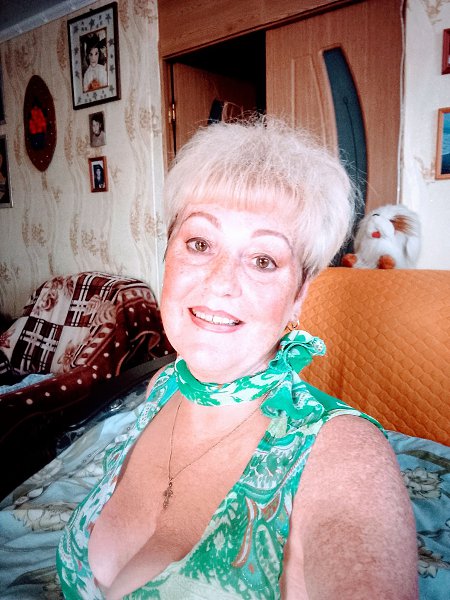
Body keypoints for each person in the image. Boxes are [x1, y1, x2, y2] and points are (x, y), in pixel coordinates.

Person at [57, 116, 418, 599]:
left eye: (263, 260)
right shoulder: (162, 385)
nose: (220, 282)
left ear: (298, 297)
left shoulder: (346, 455)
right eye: (200, 243)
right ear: (167, 255)